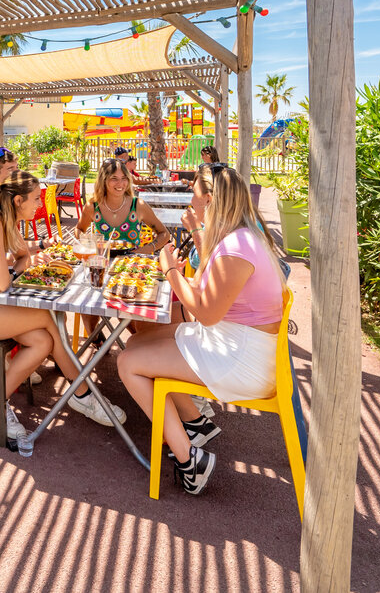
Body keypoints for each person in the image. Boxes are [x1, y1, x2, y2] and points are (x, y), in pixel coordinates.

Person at [116, 165, 287, 496]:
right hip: (235, 341)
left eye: (193, 195)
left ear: (209, 199)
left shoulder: (238, 247)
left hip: (240, 358)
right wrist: (196, 235)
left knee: (128, 362)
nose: (189, 200)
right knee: (138, 340)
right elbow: (211, 278)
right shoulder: (239, 237)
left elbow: (207, 313)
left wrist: (171, 273)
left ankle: (189, 459)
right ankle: (194, 425)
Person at [0, 170, 127, 440]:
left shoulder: (6, 219)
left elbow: (21, 255)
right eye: (36, 199)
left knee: (42, 341)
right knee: (47, 319)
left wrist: (24, 260)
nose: (41, 204)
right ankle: (82, 393)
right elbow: (4, 283)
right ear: (18, 201)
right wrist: (20, 266)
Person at [77, 159, 170, 253]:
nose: (120, 184)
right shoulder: (93, 206)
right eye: (114, 178)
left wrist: (143, 251)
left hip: (130, 265)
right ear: (103, 180)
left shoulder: (138, 205)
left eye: (124, 178)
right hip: (100, 264)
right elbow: (79, 229)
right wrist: (87, 244)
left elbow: (164, 234)